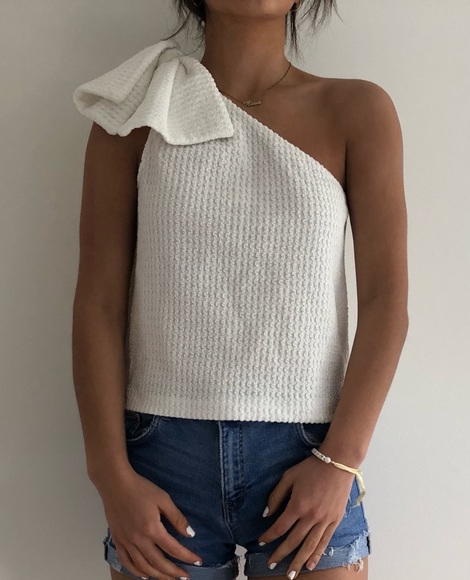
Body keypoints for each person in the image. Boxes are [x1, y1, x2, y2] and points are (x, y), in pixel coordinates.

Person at [71, 1, 408, 580]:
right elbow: (99, 304)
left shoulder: (357, 109)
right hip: (161, 457)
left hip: (311, 451)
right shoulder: (135, 113)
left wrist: (340, 462)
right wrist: (110, 476)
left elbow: (387, 303)